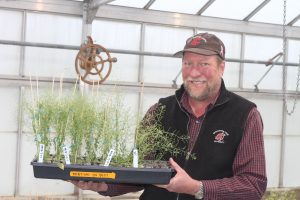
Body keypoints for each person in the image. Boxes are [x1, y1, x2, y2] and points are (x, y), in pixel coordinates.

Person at [70, 32, 267, 200]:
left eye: (204, 64)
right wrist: (104, 185)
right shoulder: (159, 110)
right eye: (188, 63)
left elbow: (253, 184)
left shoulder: (245, 115)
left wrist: (197, 188)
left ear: (221, 67)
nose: (194, 72)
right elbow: (140, 171)